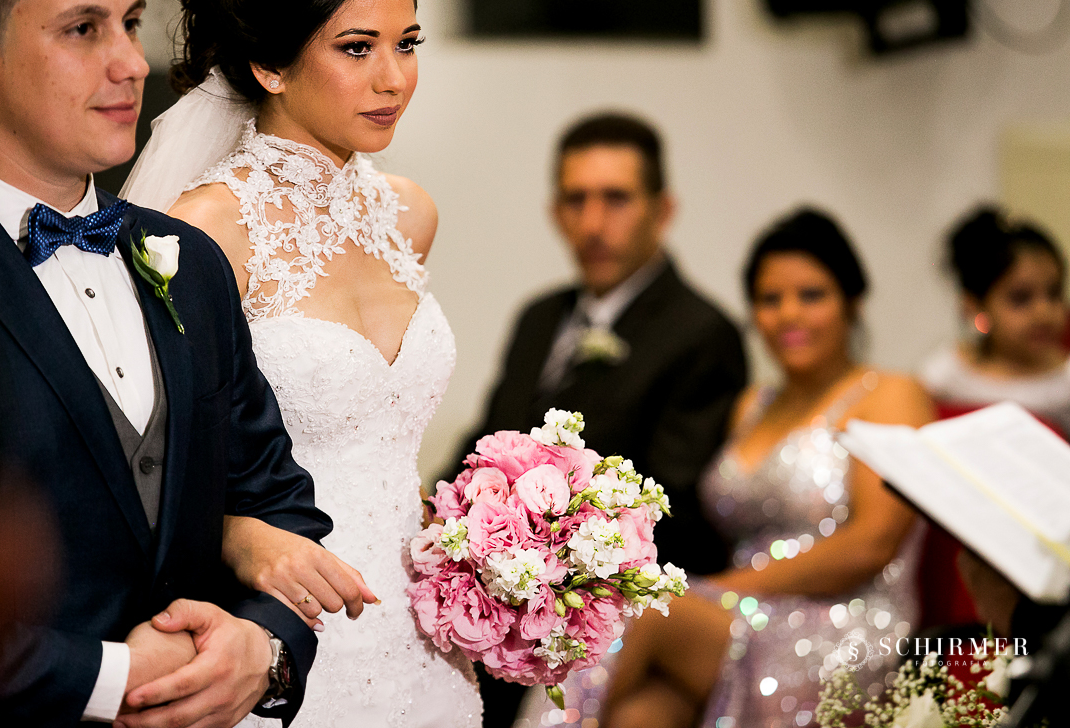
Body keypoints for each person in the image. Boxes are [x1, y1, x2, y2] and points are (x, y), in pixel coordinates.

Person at [0, 0, 340, 725]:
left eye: (130, 22)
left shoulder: (188, 261)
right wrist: (107, 675)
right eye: (84, 29)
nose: (131, 62)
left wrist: (265, 649)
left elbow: (275, 498)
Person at [120, 0, 483, 726]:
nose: (394, 79)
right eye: (358, 48)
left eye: (408, 43)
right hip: (283, 627)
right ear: (270, 64)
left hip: (428, 633)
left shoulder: (408, 213)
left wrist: (500, 545)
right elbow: (146, 468)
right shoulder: (201, 233)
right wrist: (238, 532)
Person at [585, 208, 933, 728]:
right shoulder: (751, 406)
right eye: (770, 299)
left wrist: (725, 588)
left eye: (811, 295)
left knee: (640, 606)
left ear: (852, 303)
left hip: (846, 629)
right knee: (639, 715)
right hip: (738, 617)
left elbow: (873, 542)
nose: (789, 314)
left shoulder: (890, 394)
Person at [456, 113, 746, 728]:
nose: (592, 223)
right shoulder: (538, 318)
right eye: (575, 200)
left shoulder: (701, 333)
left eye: (615, 199)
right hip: (495, 597)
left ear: (662, 209)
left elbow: (674, 504)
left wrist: (537, 569)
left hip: (601, 618)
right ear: (554, 211)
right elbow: (483, 444)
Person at [916, 206, 1069, 630]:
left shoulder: (1065, 382)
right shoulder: (943, 376)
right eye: (1021, 298)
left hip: (1044, 553)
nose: (1044, 311)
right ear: (973, 306)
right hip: (956, 551)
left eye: (1054, 293)